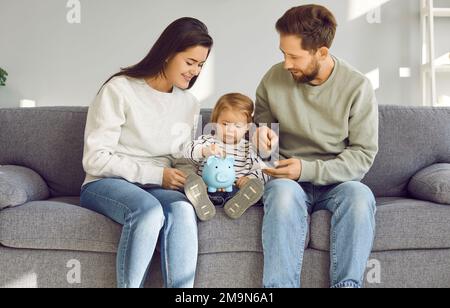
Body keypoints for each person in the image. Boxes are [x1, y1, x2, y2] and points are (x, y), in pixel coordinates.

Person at [79, 17, 213, 288]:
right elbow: (94, 158)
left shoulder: (188, 103)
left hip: (157, 183)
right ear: (167, 53)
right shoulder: (120, 89)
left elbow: (180, 155)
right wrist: (156, 174)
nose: (195, 71)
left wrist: (205, 160)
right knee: (149, 211)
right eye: (190, 62)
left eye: (200, 65)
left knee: (183, 211)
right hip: (106, 182)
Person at [253, 5, 379, 288]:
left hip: (337, 182)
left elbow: (362, 155)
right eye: (283, 53)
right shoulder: (273, 78)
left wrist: (306, 169)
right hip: (287, 180)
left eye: (294, 56)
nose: (286, 63)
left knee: (361, 197)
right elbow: (261, 122)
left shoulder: (357, 87)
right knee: (282, 195)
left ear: (322, 52)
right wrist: (260, 133)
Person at [183, 93, 269, 221]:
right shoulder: (207, 141)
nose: (229, 130)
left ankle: (238, 204)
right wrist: (204, 151)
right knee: (198, 188)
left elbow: (264, 171)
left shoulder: (249, 149)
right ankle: (201, 203)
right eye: (225, 124)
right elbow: (187, 152)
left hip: (235, 192)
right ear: (214, 123)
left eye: (237, 126)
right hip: (208, 191)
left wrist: (249, 178)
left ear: (247, 128)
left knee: (252, 191)